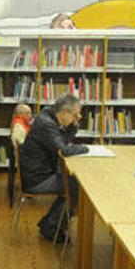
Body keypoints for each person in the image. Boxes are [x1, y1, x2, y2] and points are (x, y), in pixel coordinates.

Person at [20, 94, 88, 241]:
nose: (77, 117)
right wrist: (86, 148)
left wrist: (74, 124)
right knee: (78, 187)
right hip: (37, 179)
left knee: (74, 184)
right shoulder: (47, 124)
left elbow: (63, 142)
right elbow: (65, 150)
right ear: (64, 113)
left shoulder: (49, 115)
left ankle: (51, 223)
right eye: (75, 115)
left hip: (43, 172)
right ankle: (51, 227)